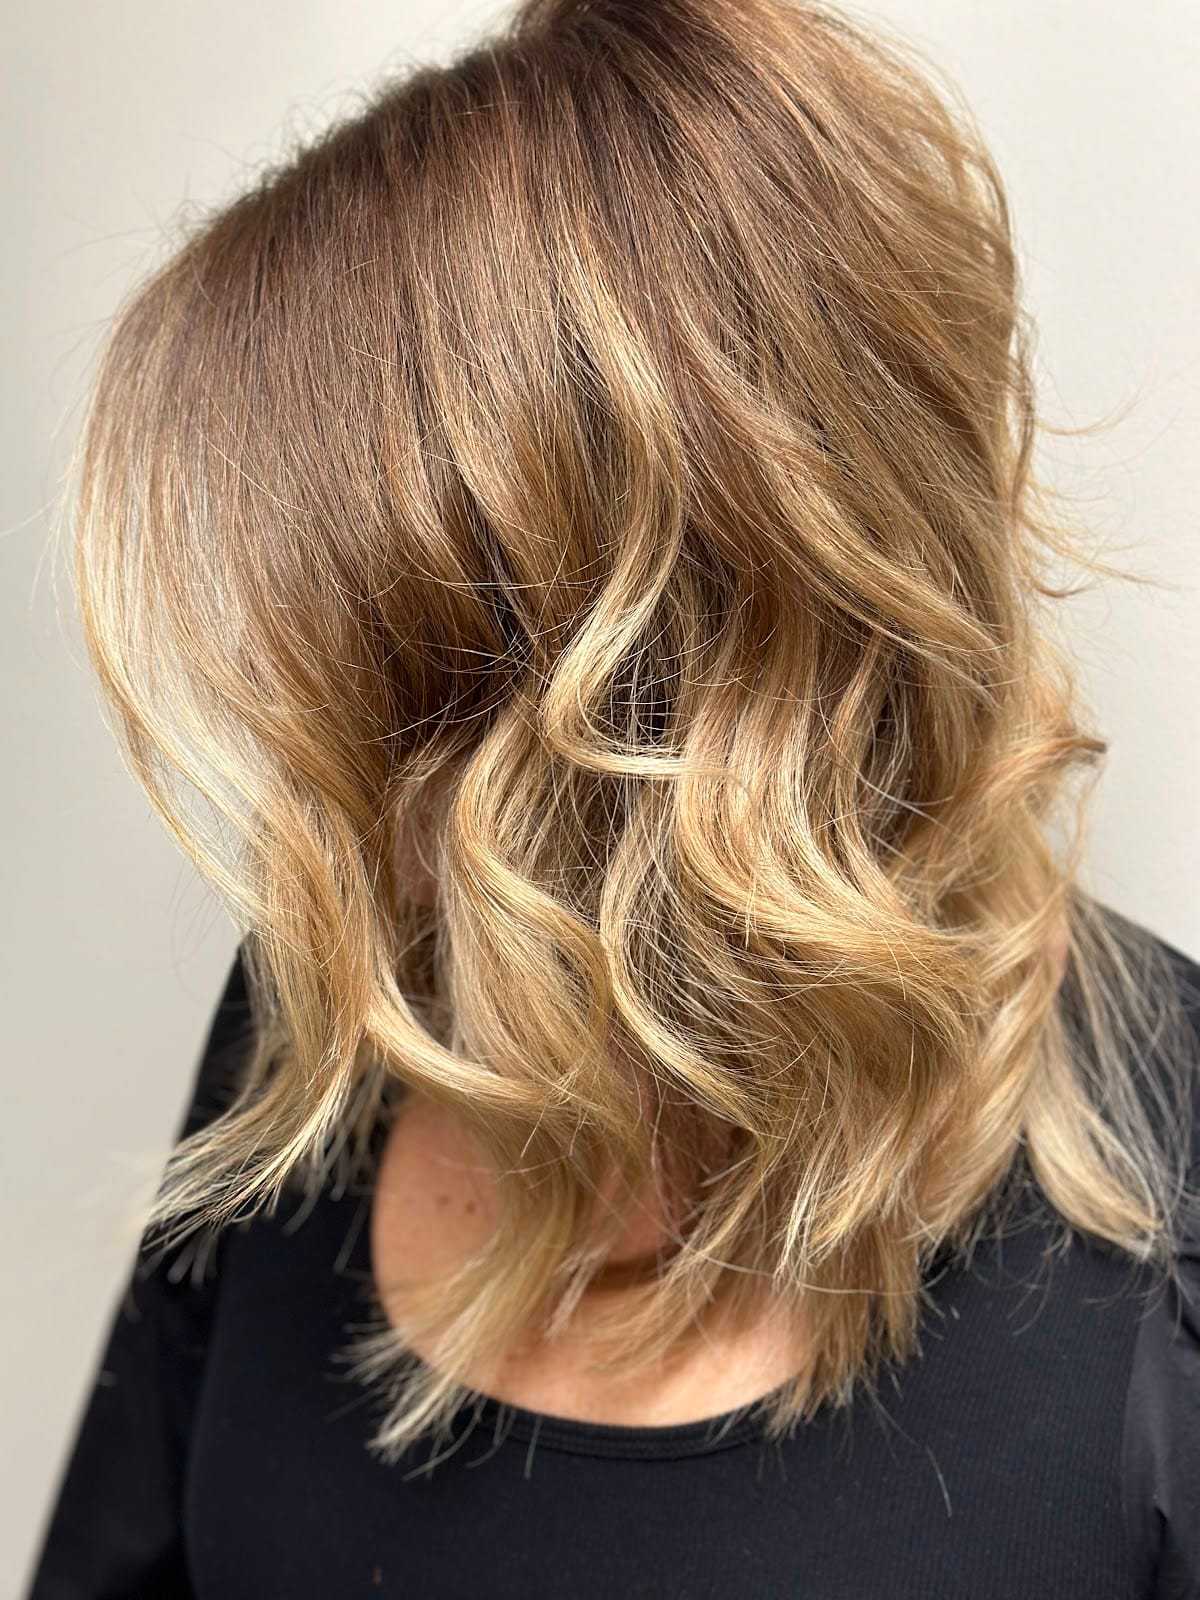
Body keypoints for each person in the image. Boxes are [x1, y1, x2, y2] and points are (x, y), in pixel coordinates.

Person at [27, 0, 1200, 1594]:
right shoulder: (331, 1016)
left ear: (713, 688)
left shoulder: (1169, 1176)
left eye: (410, 691)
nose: (328, 810)